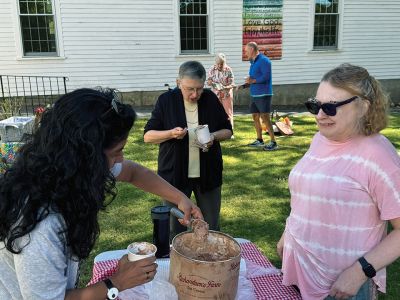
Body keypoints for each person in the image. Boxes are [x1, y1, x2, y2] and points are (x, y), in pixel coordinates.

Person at [0, 88, 203, 300]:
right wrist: (117, 282)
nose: (121, 159)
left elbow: (133, 172)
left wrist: (180, 198)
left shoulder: (63, 172)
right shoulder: (41, 224)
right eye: (116, 152)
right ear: (86, 156)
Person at [277, 63, 400, 300]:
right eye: (315, 105)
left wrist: (360, 271)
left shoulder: (377, 154)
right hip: (299, 274)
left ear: (363, 107)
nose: (320, 115)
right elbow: (307, 193)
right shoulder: (320, 140)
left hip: (342, 288)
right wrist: (288, 231)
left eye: (331, 107)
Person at [144, 61, 233, 240]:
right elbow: (148, 136)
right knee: (174, 229)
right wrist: (170, 133)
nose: (194, 94)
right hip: (174, 175)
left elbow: (228, 130)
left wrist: (212, 137)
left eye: (199, 89)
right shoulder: (166, 100)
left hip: (208, 174)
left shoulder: (210, 99)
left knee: (210, 226)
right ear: (178, 83)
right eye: (189, 89)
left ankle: (209, 263)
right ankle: (175, 264)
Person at [243, 41, 277, 151]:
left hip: (264, 94)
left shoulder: (264, 61)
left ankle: (273, 142)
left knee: (265, 118)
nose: (245, 53)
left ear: (252, 50)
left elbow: (266, 77)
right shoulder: (253, 62)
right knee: (255, 116)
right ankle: (259, 140)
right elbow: (253, 80)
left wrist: (252, 80)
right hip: (254, 94)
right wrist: (243, 86)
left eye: (246, 51)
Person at [207, 53, 235, 129]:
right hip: (215, 94)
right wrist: (209, 82)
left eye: (221, 64)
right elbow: (208, 81)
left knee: (228, 113)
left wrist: (225, 87)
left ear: (224, 62)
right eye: (218, 64)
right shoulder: (212, 69)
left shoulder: (228, 70)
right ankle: (217, 128)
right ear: (215, 63)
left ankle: (230, 130)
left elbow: (232, 84)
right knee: (215, 112)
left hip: (226, 94)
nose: (219, 66)